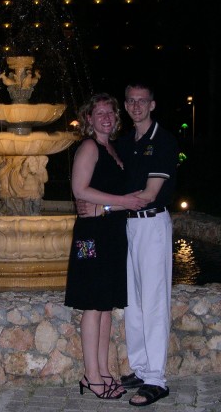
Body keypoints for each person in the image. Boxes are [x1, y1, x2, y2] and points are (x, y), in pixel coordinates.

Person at [76, 82, 178, 407]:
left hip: (149, 225)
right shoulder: (120, 144)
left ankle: (156, 378)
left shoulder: (161, 140)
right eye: (131, 100)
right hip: (114, 231)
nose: (135, 106)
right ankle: (139, 368)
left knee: (153, 301)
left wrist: (105, 207)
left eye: (141, 101)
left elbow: (147, 196)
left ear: (152, 104)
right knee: (130, 303)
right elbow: (84, 190)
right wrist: (105, 207)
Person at [64, 93, 149, 401]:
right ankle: (90, 375)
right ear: (88, 118)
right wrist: (122, 202)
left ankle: (101, 371)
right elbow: (79, 189)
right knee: (92, 303)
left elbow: (106, 199)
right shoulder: (89, 147)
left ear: (115, 118)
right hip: (90, 236)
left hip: (110, 232)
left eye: (110, 113)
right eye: (98, 113)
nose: (105, 117)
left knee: (105, 305)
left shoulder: (113, 148)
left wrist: (112, 208)